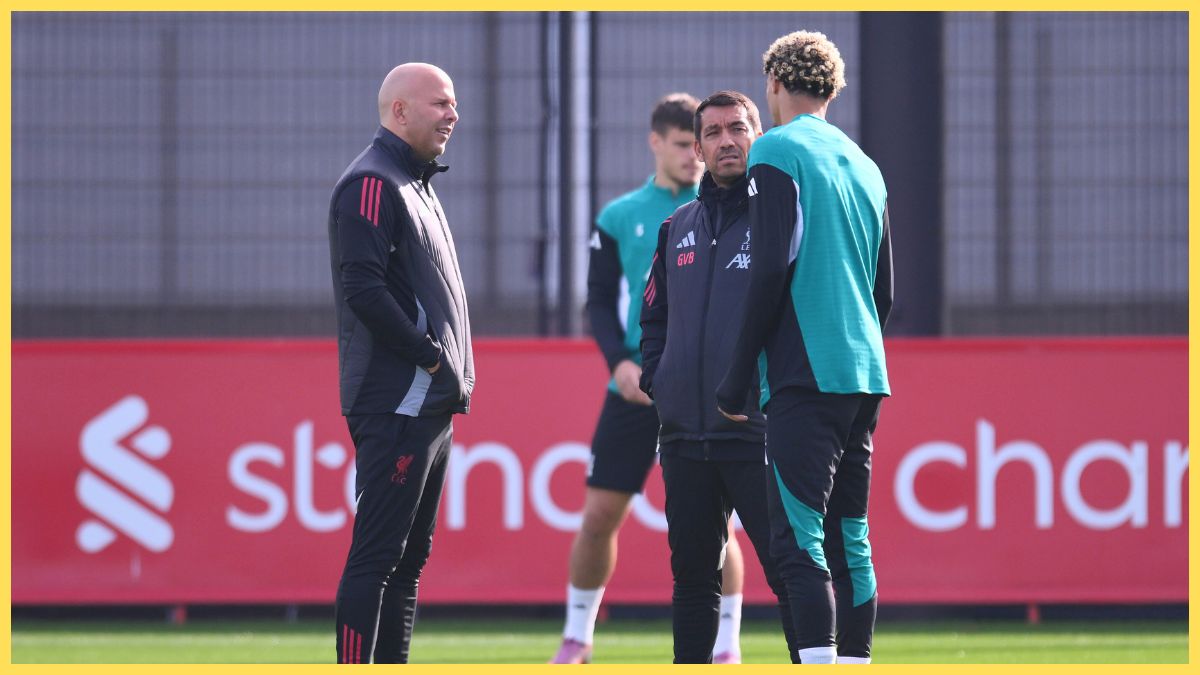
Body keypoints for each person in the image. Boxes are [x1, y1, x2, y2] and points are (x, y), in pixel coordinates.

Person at [551, 93, 748, 665]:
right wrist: (621, 364)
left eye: (699, 143)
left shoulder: (726, 205)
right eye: (684, 144)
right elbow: (597, 303)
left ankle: (727, 647)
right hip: (634, 390)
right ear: (656, 142)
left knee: (719, 527)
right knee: (597, 518)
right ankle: (577, 638)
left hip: (704, 392)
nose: (695, 155)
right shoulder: (618, 216)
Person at [716, 31, 893, 665]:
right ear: (832, 88)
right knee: (852, 539)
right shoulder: (865, 164)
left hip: (805, 370)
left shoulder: (776, 150)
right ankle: (856, 662)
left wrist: (736, 377)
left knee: (798, 540)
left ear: (774, 84)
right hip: (865, 371)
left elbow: (770, 268)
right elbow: (884, 290)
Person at [639, 90, 801, 664]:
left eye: (738, 128)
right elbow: (653, 314)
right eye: (712, 132)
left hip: (756, 431)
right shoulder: (676, 225)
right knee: (691, 581)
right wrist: (660, 379)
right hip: (685, 433)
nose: (726, 140)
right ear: (700, 148)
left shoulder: (779, 216)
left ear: (758, 135)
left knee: (790, 573)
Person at [326, 62, 474, 664]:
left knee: (408, 561)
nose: (453, 114)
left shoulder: (415, 182)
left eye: (454, 103)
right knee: (378, 557)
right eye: (440, 103)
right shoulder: (372, 182)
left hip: (428, 400)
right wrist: (432, 360)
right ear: (400, 111)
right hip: (400, 398)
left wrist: (441, 374)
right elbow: (362, 290)